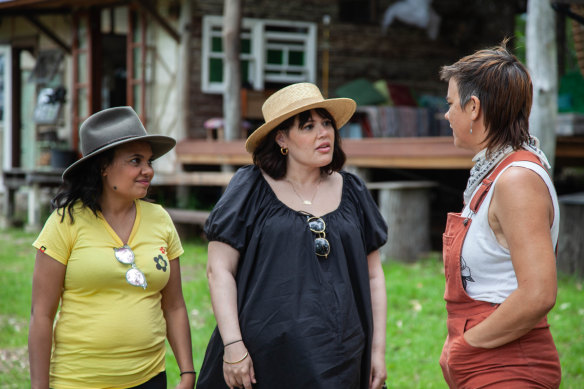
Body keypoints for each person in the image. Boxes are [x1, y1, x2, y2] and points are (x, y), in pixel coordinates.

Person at [196, 83, 388, 389]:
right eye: (308, 126)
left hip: (341, 356)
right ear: (282, 138)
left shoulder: (353, 191)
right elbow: (218, 270)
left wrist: (377, 351)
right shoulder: (249, 188)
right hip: (262, 359)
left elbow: (374, 276)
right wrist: (233, 346)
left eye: (326, 124)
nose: (323, 133)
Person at [28, 107, 196, 389]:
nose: (148, 171)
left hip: (149, 379)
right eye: (135, 161)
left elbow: (175, 305)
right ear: (104, 167)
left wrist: (187, 373)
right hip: (78, 381)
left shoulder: (160, 220)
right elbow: (41, 316)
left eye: (149, 161)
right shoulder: (65, 222)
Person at [438, 40, 562, 388]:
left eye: (451, 104)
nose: (447, 115)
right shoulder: (498, 171)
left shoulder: (517, 180)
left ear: (473, 107)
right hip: (488, 363)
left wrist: (465, 348)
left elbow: (539, 292)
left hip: (509, 367)